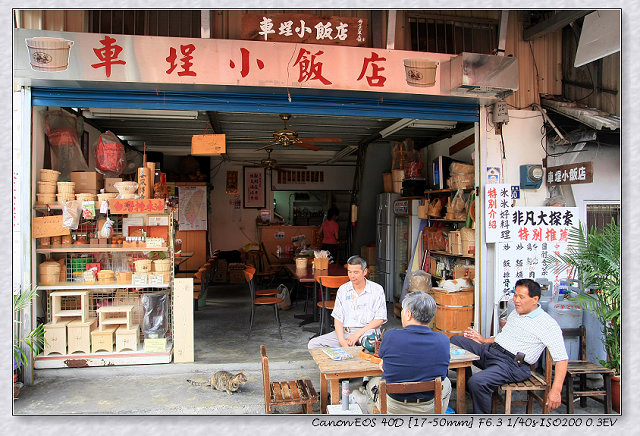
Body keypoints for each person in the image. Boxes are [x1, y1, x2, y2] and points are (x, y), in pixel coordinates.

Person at [450, 278, 568, 414]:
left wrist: (556, 390)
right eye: (515, 295)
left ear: (535, 299)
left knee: (477, 381)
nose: (516, 300)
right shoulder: (516, 312)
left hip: (511, 365)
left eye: (521, 297)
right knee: (455, 340)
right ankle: (469, 387)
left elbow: (561, 359)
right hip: (491, 351)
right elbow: (504, 338)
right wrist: (483, 340)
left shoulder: (548, 324)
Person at [366, 291, 451, 414]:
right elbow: (442, 373)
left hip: (394, 406)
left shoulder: (391, 336)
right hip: (428, 406)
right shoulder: (443, 340)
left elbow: (382, 356)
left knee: (370, 385)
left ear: (408, 314)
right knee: (446, 383)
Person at [307, 256, 387, 349]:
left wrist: (357, 335)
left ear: (365, 272)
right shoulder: (343, 289)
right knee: (313, 344)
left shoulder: (376, 289)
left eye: (356, 272)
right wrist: (342, 341)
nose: (352, 276)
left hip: (367, 332)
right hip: (346, 332)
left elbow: (380, 319)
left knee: (370, 343)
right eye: (349, 272)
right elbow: (338, 318)